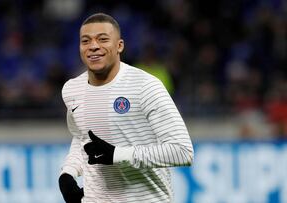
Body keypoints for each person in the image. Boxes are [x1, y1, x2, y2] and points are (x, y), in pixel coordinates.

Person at [59, 13, 194, 203]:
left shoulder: (145, 86)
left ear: (119, 46)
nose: (93, 46)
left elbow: (182, 151)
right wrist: (68, 173)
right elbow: (82, 136)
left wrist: (118, 154)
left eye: (103, 39)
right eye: (86, 41)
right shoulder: (72, 90)